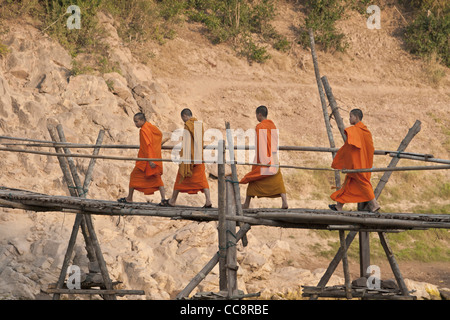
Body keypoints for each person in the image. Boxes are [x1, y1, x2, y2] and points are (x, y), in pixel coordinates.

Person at [329, 108, 380, 212]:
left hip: (359, 164)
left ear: (356, 118)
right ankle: (339, 206)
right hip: (358, 162)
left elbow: (353, 147)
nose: (349, 118)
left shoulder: (356, 130)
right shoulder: (365, 131)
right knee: (348, 184)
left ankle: (374, 204)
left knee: (363, 182)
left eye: (350, 116)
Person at [240, 105, 288, 209]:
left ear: (259, 114)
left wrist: (261, 158)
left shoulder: (260, 126)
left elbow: (260, 144)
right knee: (277, 178)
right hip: (274, 155)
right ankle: (284, 202)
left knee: (253, 178)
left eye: (256, 115)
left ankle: (246, 204)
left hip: (265, 156)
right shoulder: (273, 125)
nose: (256, 117)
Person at [118, 112, 167, 205]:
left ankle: (129, 198)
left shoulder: (144, 130)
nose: (135, 124)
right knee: (156, 178)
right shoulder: (150, 126)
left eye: (136, 121)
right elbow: (159, 134)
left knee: (134, 176)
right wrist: (155, 151)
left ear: (142, 120)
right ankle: (163, 199)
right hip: (151, 158)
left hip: (146, 160)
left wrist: (150, 159)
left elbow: (148, 145)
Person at [168, 108, 212, 208]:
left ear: (184, 116)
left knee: (180, 177)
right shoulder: (199, 124)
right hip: (198, 157)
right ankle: (208, 200)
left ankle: (173, 201)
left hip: (189, 158)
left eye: (182, 118)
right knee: (202, 180)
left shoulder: (188, 125)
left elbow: (188, 141)